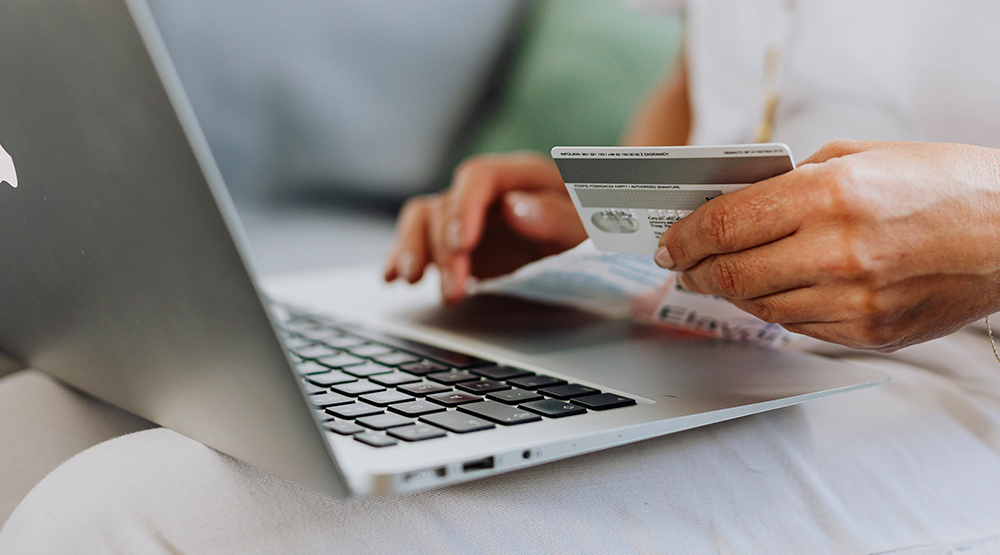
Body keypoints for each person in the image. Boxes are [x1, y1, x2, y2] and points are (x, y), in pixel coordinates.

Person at [4, 1, 1000, 553]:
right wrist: (613, 223)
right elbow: (704, 83)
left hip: (955, 384)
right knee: (30, 431)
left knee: (119, 513)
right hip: (700, 326)